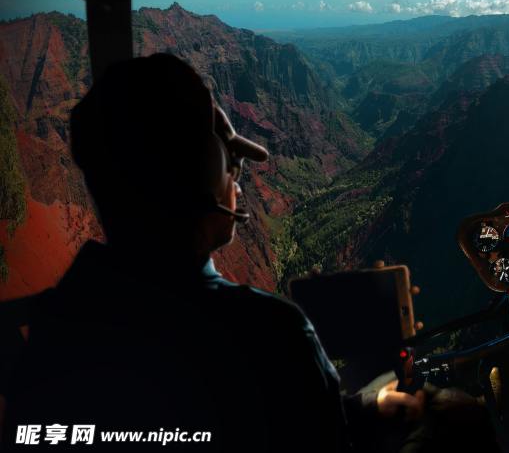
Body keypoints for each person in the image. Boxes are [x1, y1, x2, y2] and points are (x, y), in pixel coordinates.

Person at [0, 53, 423, 451]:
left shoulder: (52, 331)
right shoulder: (271, 334)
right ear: (207, 171)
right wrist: (368, 382)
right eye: (229, 165)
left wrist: (363, 406)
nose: (237, 180)